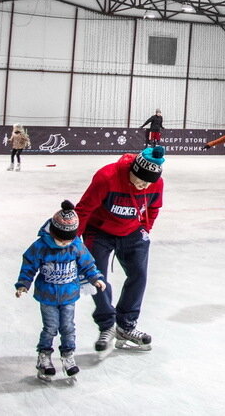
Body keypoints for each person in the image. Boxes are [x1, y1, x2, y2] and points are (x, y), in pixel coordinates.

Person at [75, 146, 165, 352]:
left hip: (133, 230)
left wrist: (145, 229)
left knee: (139, 275)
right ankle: (107, 324)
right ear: (132, 170)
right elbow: (84, 208)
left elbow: (154, 207)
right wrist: (74, 242)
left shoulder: (156, 182)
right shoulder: (107, 176)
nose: (144, 186)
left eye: (148, 182)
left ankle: (126, 325)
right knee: (97, 277)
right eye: (140, 180)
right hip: (99, 231)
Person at [14, 200, 106, 381]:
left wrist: (96, 278)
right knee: (50, 328)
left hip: (69, 295)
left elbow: (87, 263)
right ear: (53, 232)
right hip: (47, 296)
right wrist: (23, 284)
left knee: (68, 327)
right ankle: (44, 357)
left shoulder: (76, 245)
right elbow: (29, 265)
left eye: (68, 239)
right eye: (61, 238)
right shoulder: (40, 246)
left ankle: (68, 356)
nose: (64, 243)